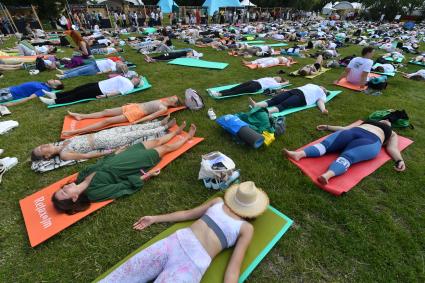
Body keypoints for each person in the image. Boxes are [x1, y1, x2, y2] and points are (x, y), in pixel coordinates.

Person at [98, 181, 268, 283]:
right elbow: (187, 213)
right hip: (174, 244)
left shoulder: (245, 228)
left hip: (192, 263)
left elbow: (233, 268)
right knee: (123, 274)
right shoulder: (217, 202)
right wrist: (155, 218)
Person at [51, 123, 197, 214]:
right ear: (75, 198)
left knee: (155, 141)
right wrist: (146, 176)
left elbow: (100, 164)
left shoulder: (81, 176)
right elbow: (122, 187)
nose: (65, 187)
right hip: (130, 166)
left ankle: (176, 133)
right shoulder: (93, 193)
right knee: (164, 148)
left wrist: (116, 152)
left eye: (62, 188)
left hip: (121, 158)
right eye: (65, 191)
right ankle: (187, 138)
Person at [284, 120, 406, 184]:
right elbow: (346, 128)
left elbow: (392, 148)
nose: (386, 120)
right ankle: (298, 154)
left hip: (371, 141)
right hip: (354, 132)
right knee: (325, 145)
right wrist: (328, 127)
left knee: (348, 157)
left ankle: (327, 175)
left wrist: (399, 160)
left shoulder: (392, 133)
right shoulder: (365, 121)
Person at [31, 117, 175, 161]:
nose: (43, 145)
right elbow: (86, 155)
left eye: (41, 145)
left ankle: (158, 123)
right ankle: (162, 129)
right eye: (42, 149)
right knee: (132, 135)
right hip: (104, 142)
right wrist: (110, 151)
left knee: (131, 128)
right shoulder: (64, 154)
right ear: (48, 155)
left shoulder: (62, 143)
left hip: (102, 135)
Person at [60, 95, 180, 136]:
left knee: (108, 121)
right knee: (106, 111)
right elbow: (147, 104)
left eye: (173, 98)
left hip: (137, 113)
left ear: (173, 104)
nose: (171, 97)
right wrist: (134, 103)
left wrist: (137, 122)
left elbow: (151, 116)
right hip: (134, 107)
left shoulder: (163, 108)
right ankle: (82, 116)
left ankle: (76, 131)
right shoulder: (162, 101)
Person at [39, 75, 141, 106]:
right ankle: (56, 96)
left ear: (136, 83)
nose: (137, 77)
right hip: (98, 84)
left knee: (77, 95)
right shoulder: (127, 79)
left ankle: (54, 102)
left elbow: (119, 92)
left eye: (138, 79)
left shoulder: (130, 85)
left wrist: (105, 96)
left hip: (100, 90)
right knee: (77, 89)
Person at [249, 84, 329, 115]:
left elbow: (320, 101)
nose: (323, 88)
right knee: (275, 99)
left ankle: (266, 112)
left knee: (284, 104)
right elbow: (298, 87)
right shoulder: (312, 84)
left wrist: (323, 109)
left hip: (303, 97)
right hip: (295, 91)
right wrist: (286, 90)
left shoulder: (322, 94)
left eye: (325, 89)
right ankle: (257, 105)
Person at [208, 77, 288, 98]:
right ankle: (217, 92)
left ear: (279, 81)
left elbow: (284, 84)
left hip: (256, 86)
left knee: (237, 91)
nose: (278, 77)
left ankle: (219, 95)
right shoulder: (271, 78)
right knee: (234, 88)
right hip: (253, 82)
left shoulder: (276, 84)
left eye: (279, 78)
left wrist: (285, 82)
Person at [55, 58, 128, 79]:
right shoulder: (114, 62)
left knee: (79, 71)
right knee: (79, 68)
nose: (120, 62)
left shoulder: (114, 66)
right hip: (94, 64)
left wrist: (101, 72)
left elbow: (110, 70)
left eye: (122, 63)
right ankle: (64, 72)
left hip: (96, 68)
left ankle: (64, 77)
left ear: (120, 66)